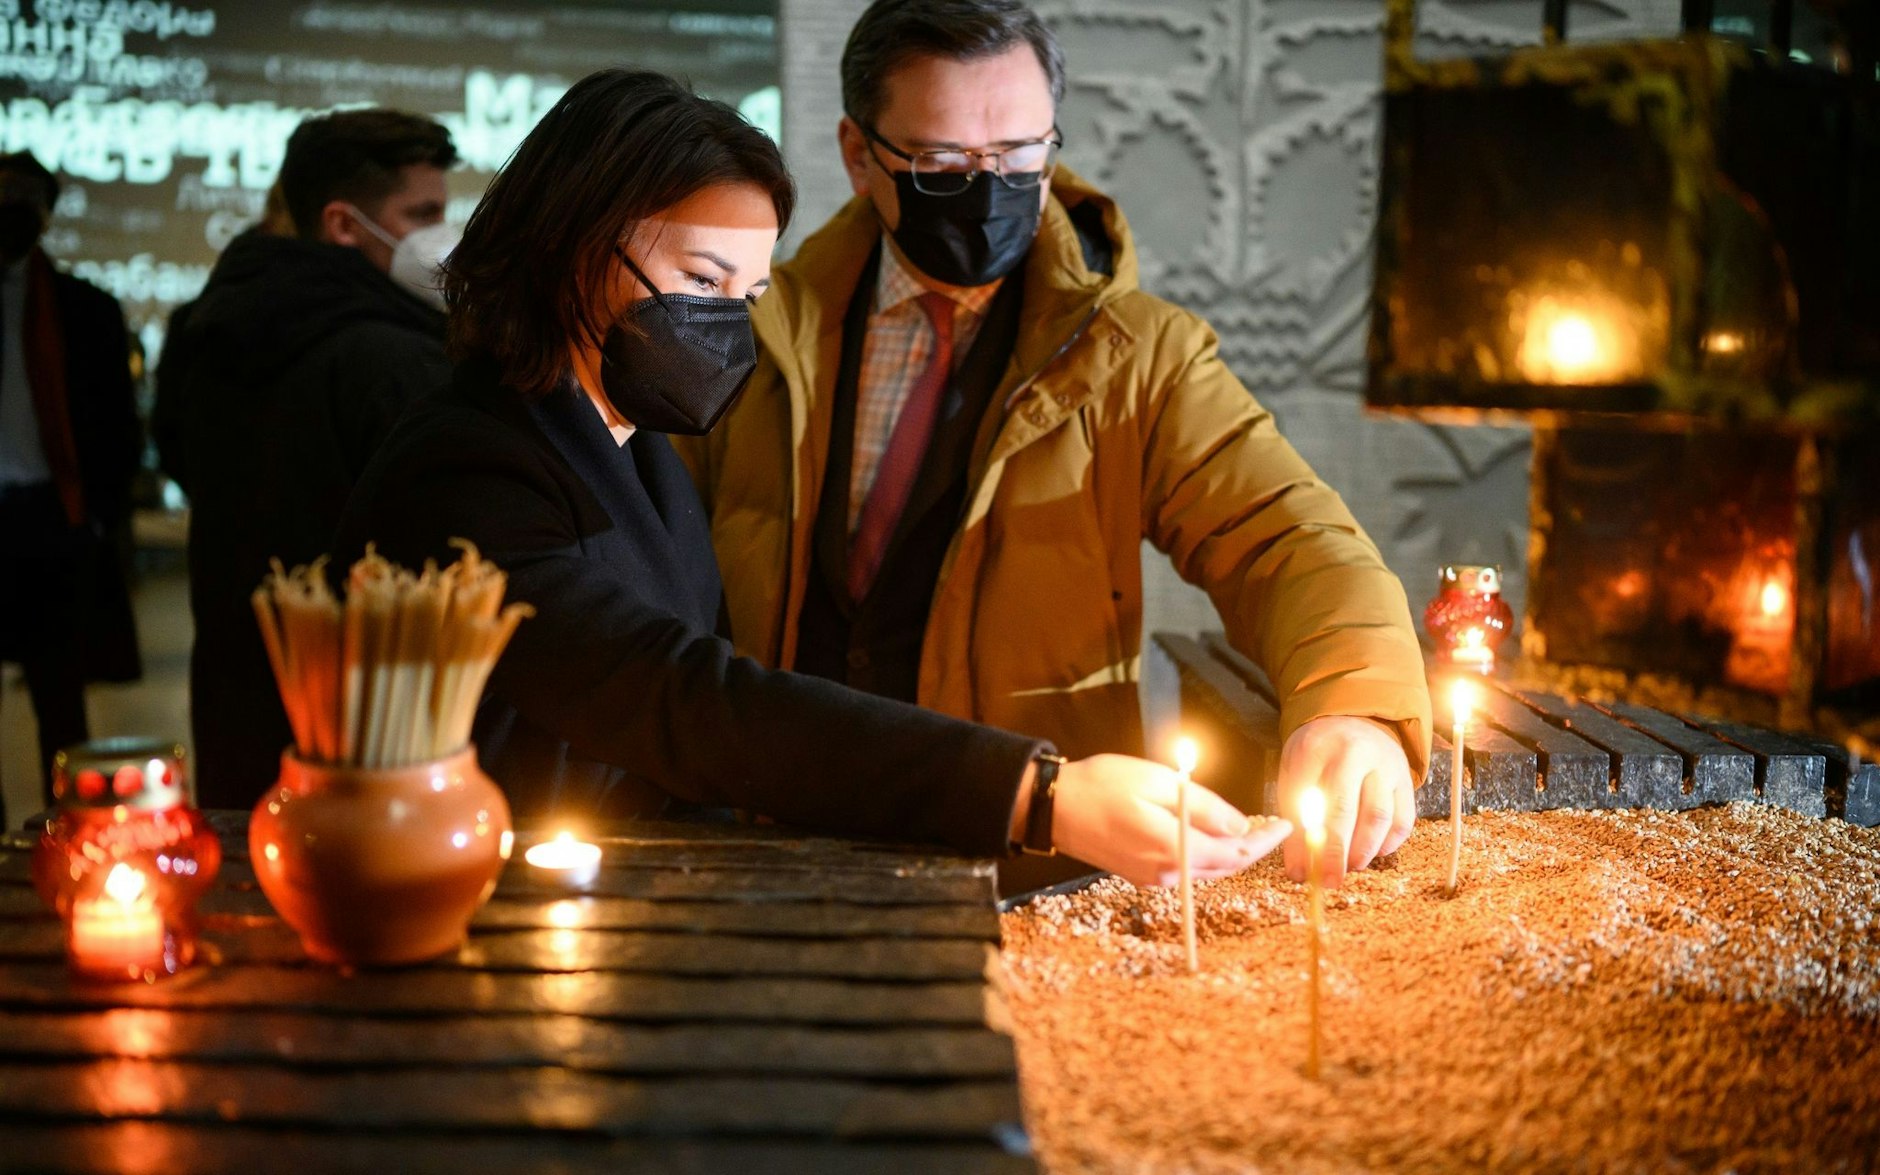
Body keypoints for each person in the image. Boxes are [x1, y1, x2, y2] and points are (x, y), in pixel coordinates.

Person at [332, 68, 1291, 886]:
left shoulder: (639, 448)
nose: (727, 323)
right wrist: (1034, 791)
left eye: (748, 293)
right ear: (570, 248)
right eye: (701, 281)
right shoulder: (467, 466)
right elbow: (683, 699)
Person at [678, 0, 1433, 887]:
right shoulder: (760, 328)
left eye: (1019, 156)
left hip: (1030, 868)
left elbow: (1287, 536)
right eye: (943, 163)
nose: (989, 188)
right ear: (858, 154)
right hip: (773, 840)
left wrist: (1354, 704)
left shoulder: (1138, 356)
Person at [156, 110, 459, 808]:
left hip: (239, 686)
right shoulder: (396, 359)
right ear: (343, 224)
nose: (443, 234)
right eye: (423, 214)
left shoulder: (215, 325)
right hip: (367, 723)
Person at [0, 151, 141, 817]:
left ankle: (68, 829)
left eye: (25, 199)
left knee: (60, 695)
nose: (11, 210)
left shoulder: (85, 309)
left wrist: (98, 518)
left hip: (52, 517)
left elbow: (117, 424)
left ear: (47, 214)